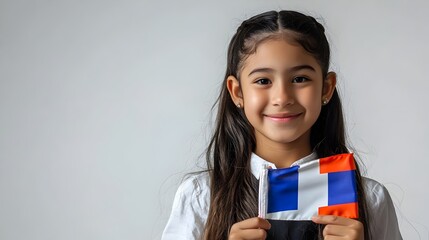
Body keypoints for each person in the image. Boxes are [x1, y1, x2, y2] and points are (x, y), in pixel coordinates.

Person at [162, 10, 402, 240]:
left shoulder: (370, 199)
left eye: (300, 79)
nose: (282, 97)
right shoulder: (201, 195)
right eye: (263, 80)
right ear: (237, 92)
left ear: (326, 87)